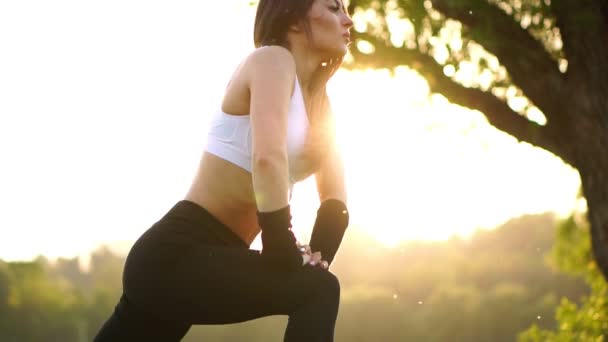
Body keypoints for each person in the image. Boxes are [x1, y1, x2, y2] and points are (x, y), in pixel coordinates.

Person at [93, 0, 354, 340]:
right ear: (292, 18)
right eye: (333, 8)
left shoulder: (318, 100)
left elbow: (335, 200)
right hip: (176, 255)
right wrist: (281, 243)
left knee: (317, 285)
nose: (348, 20)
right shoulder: (272, 60)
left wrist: (317, 259)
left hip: (210, 260)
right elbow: (267, 158)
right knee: (319, 290)